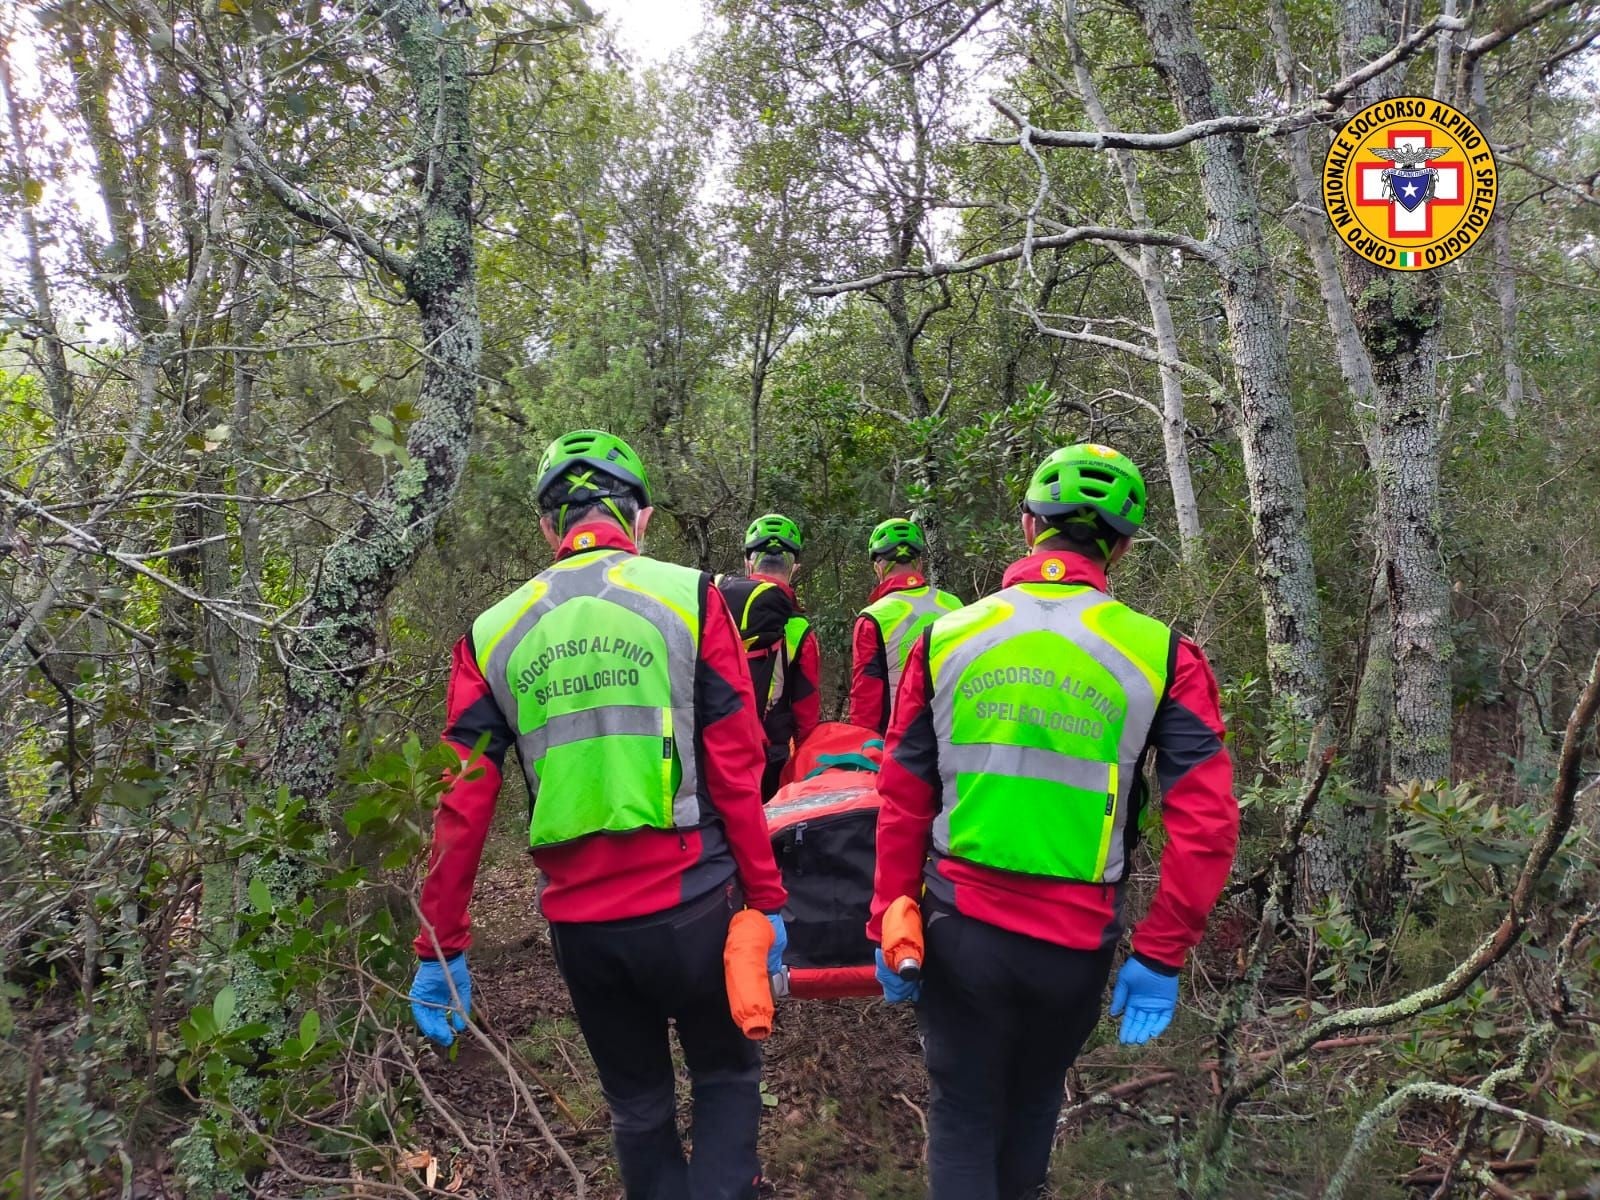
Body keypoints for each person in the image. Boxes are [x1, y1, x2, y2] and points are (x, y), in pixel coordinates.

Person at [408, 430, 788, 1200]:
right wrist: (769, 901)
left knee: (639, 1108)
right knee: (722, 1077)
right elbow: (738, 766)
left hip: (584, 933)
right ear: (640, 517)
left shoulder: (489, 635)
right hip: (694, 906)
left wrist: (440, 945)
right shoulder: (692, 597)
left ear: (550, 529)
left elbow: (461, 801)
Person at [867, 444, 1239, 1200]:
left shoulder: (948, 639)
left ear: (1028, 525)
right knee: (1033, 1104)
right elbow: (1207, 824)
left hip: (957, 929)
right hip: (1073, 946)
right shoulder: (1164, 654)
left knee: (965, 1115)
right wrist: (1162, 953)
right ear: (1123, 547)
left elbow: (902, 794)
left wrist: (888, 914)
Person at [716, 514, 821, 800]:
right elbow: (806, 710)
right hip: (771, 751)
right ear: (794, 568)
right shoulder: (798, 629)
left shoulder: (714, 607)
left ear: (749, 563)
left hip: (716, 746)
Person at [848, 518, 964, 735]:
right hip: (954, 728)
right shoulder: (953, 604)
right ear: (918, 564)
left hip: (900, 739)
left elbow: (866, 697)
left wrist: (864, 745)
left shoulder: (873, 617)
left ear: (878, 568)